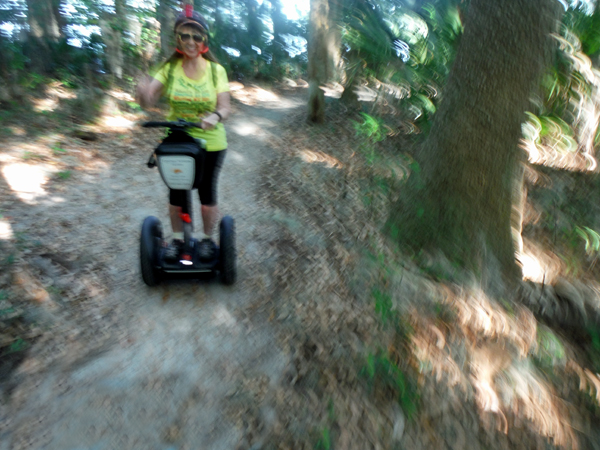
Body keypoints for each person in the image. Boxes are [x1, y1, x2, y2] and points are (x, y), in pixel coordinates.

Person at [137, 9, 231, 261]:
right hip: (177, 142)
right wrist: (142, 89)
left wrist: (214, 117)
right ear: (177, 38)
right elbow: (148, 100)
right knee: (177, 194)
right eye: (185, 35)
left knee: (206, 193)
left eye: (196, 36)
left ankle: (207, 240)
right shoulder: (169, 69)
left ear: (204, 40)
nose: (191, 41)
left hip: (210, 141)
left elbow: (224, 106)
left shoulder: (215, 71)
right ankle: (178, 241)